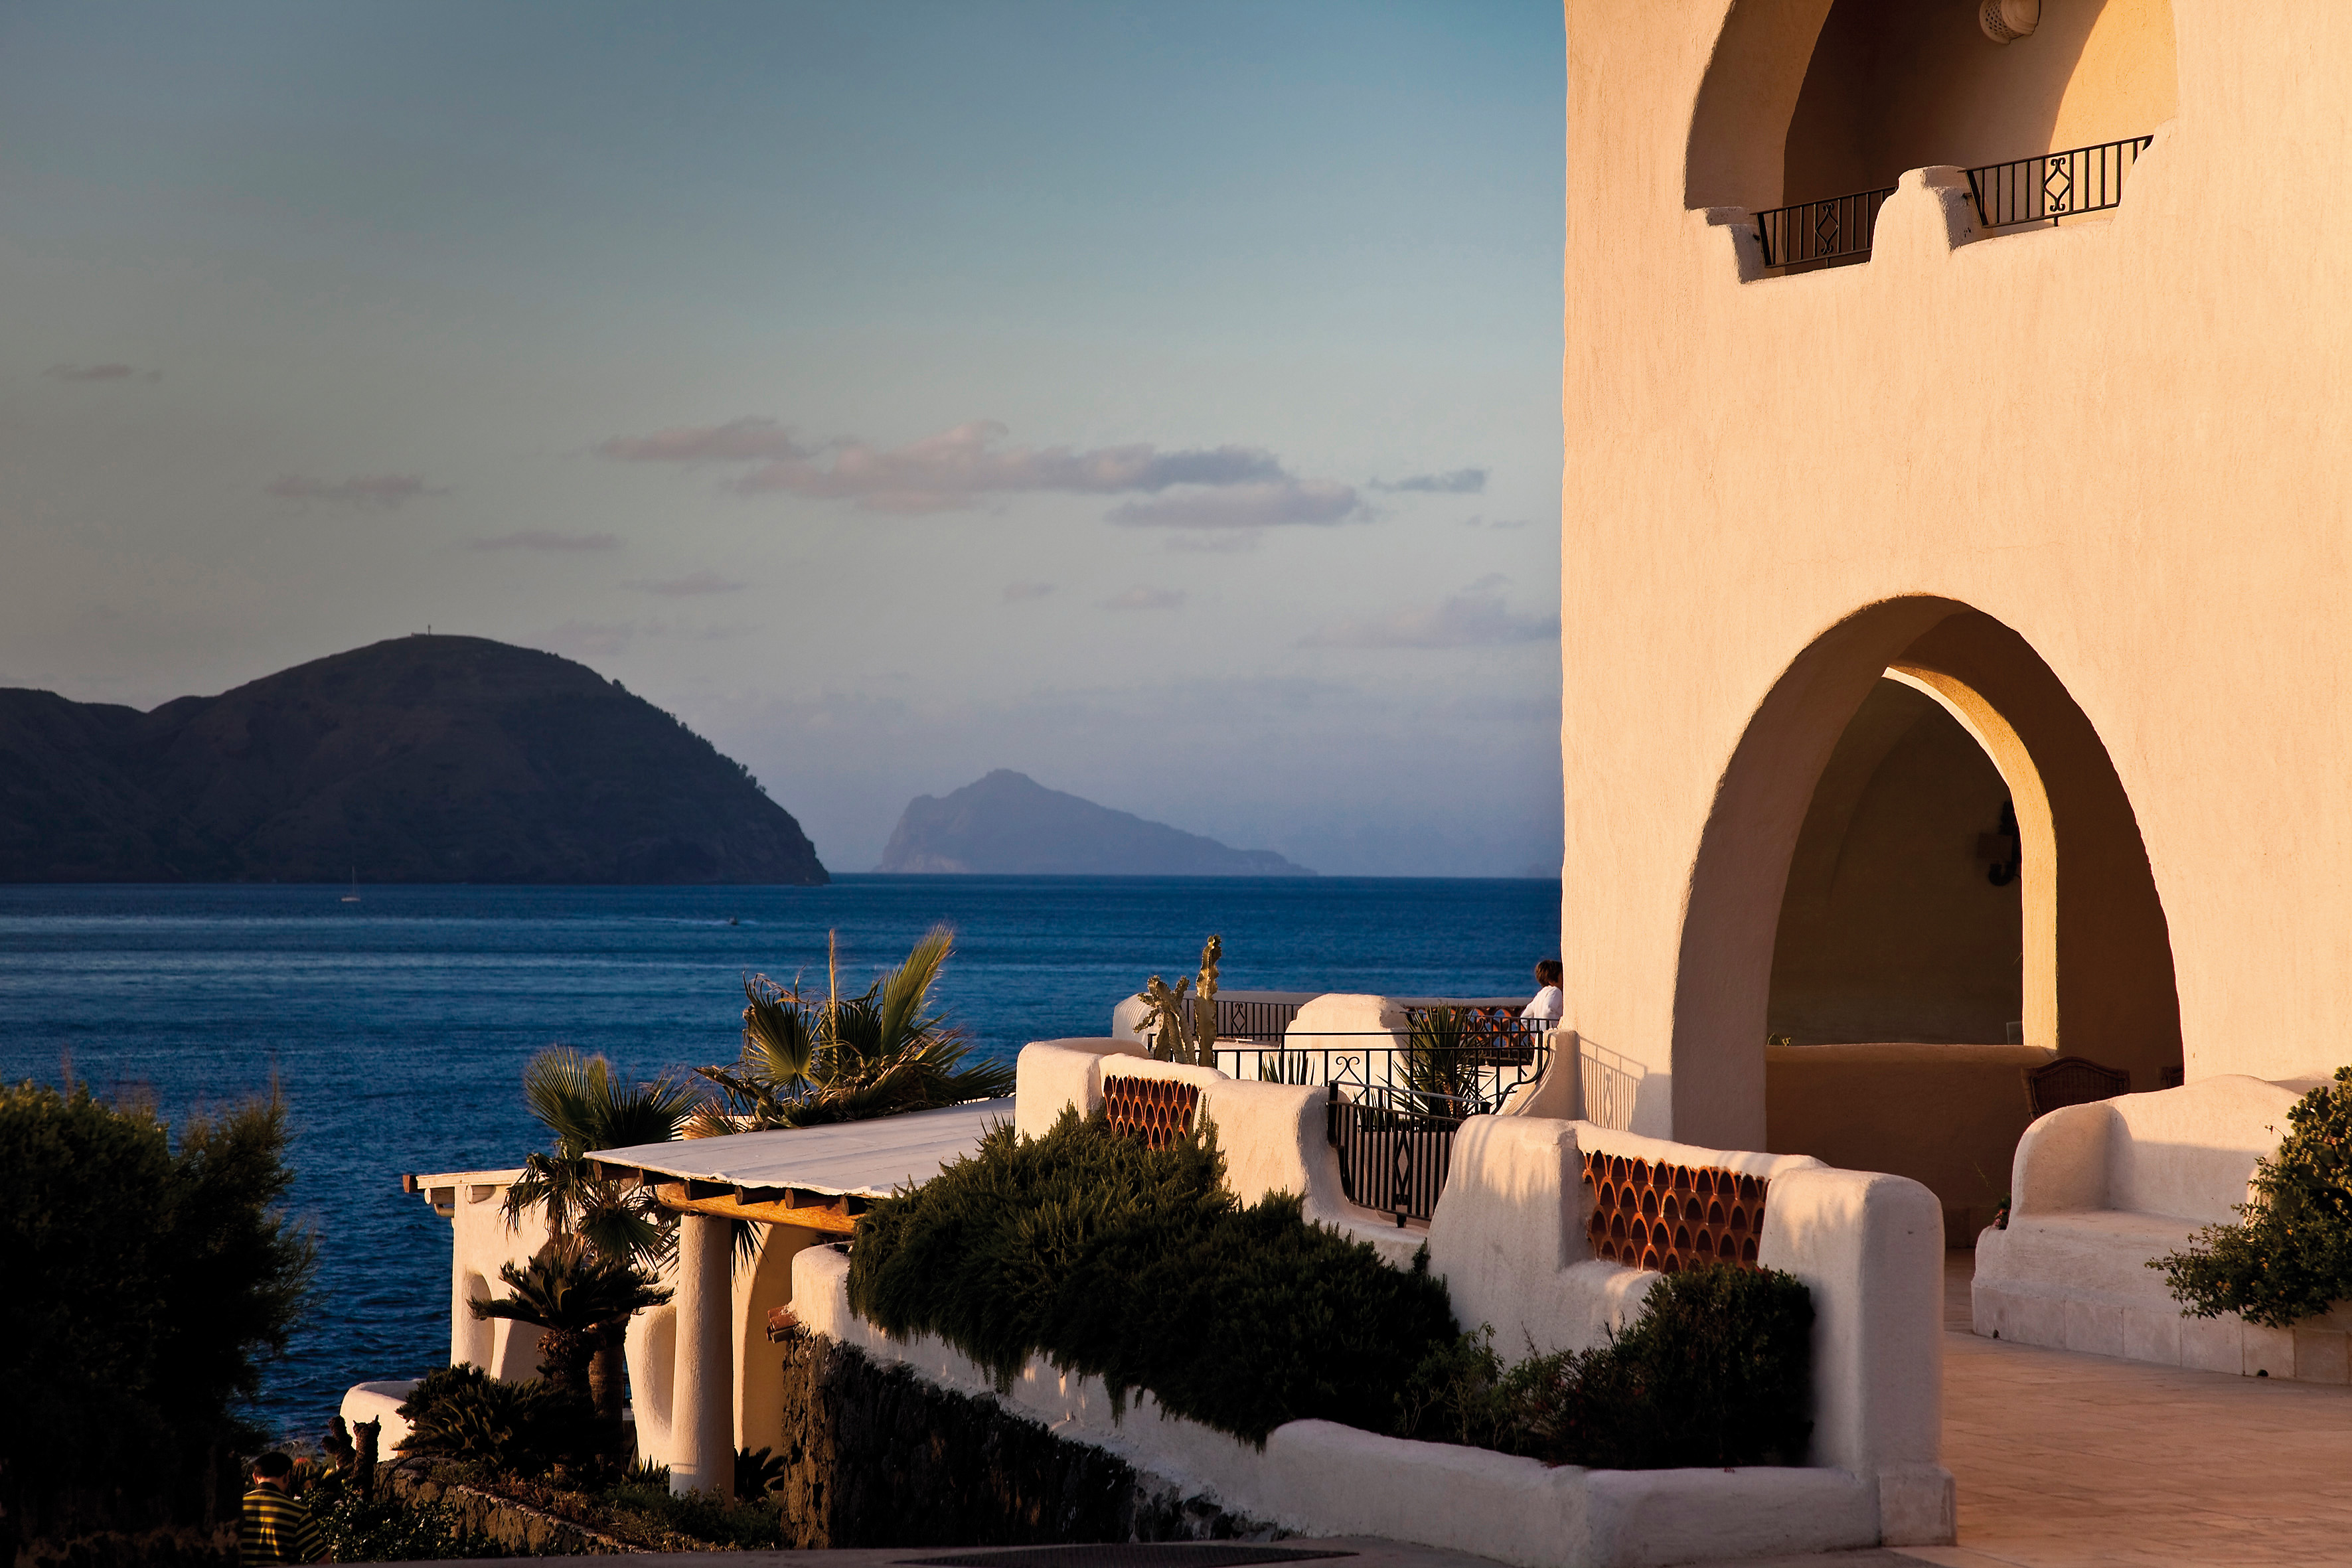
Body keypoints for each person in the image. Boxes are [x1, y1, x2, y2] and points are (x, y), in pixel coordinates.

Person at [240, 1452, 327, 1566]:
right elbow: (323, 1561)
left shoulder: (237, 1507)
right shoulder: (297, 1511)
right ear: (287, 1475)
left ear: (255, 1478)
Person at [1522, 959, 1564, 1023]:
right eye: (1562, 977)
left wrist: (1536, 1032)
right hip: (1551, 1033)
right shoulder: (1555, 991)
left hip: (1542, 1032)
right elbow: (1547, 1012)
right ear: (1552, 981)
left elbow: (1525, 1018)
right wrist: (1557, 1026)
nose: (1564, 980)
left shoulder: (1541, 994)